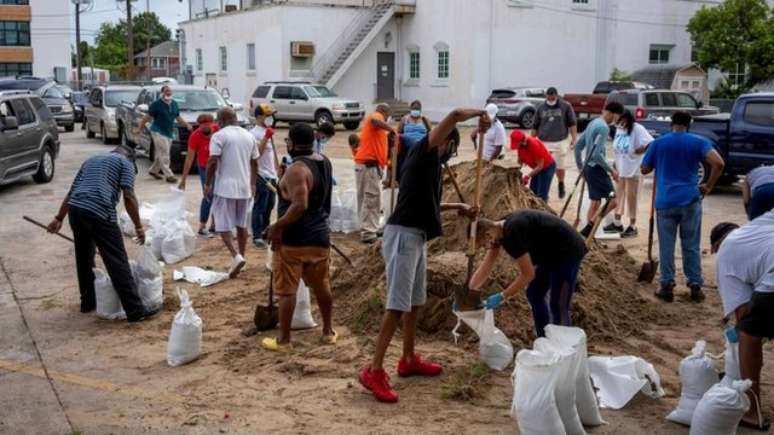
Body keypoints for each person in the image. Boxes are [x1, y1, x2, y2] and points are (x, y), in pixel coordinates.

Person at [359, 108, 485, 404]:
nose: (450, 152)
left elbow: (428, 205)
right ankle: (373, 370)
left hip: (416, 236)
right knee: (397, 305)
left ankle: (408, 358)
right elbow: (453, 114)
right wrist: (481, 114)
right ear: (444, 142)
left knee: (415, 302)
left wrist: (459, 208)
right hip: (402, 235)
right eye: (451, 146)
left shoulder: (427, 167)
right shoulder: (423, 152)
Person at [46, 146, 157, 322]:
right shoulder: (126, 163)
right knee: (116, 259)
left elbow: (71, 192)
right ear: (130, 158)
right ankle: (135, 311)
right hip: (99, 211)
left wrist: (59, 218)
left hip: (76, 210)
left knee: (84, 258)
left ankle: (88, 303)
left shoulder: (90, 160)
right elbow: (128, 196)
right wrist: (138, 227)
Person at [262, 123, 335, 352]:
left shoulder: (297, 169)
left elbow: (300, 204)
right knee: (322, 285)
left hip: (294, 240)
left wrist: (276, 226)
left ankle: (284, 340)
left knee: (287, 291)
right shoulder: (324, 162)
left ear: (291, 143)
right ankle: (328, 332)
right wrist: (284, 180)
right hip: (320, 237)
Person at [641, 111, 725, 303]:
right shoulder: (698, 141)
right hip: (690, 200)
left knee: (666, 246)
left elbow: (644, 169)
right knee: (691, 245)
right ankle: (695, 286)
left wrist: (653, 157)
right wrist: (708, 186)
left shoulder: (659, 143)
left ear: (671, 123)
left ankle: (667, 286)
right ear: (689, 124)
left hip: (665, 202)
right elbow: (719, 164)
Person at [470, 210, 587, 337]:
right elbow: (487, 264)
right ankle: (544, 339)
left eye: (483, 245)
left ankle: (563, 347)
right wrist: (469, 291)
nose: (486, 248)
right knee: (535, 293)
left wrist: (502, 296)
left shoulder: (512, 234)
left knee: (559, 304)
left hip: (568, 251)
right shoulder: (498, 230)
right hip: (549, 253)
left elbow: (528, 274)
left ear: (488, 235)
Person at [712, 216, 774, 431]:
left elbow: (742, 313)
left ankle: (751, 411)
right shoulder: (759, 225)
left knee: (748, 332)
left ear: (715, 247)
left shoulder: (725, 255)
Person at [205, 107, 258, 278]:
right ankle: (242, 257)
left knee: (222, 225)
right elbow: (255, 162)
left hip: (225, 189)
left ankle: (236, 256)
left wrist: (207, 184)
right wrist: (253, 184)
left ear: (220, 120)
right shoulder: (248, 135)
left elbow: (212, 161)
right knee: (242, 225)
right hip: (244, 188)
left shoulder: (219, 136)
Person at [574, 101, 625, 238]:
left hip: (589, 168)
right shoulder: (603, 127)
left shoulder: (593, 123)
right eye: (617, 118)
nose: (616, 122)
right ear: (612, 113)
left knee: (595, 202)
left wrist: (581, 168)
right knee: (613, 201)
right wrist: (612, 171)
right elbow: (596, 155)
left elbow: (578, 146)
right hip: (597, 169)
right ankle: (590, 228)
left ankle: (589, 236)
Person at [603, 110, 654, 238]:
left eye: (622, 120)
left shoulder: (638, 128)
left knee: (632, 198)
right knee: (618, 197)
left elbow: (652, 143)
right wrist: (615, 162)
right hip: (621, 169)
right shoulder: (619, 129)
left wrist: (642, 149)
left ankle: (632, 226)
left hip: (634, 170)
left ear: (628, 119)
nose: (620, 123)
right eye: (619, 121)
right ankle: (617, 222)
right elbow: (618, 147)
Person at [354, 103, 394, 243]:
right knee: (372, 198)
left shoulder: (377, 128)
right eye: (388, 115)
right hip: (368, 165)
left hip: (366, 165)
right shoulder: (376, 116)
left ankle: (367, 228)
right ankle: (368, 233)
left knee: (366, 198)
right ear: (384, 112)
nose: (388, 118)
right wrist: (392, 129)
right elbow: (375, 120)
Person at [138, 85, 192, 183]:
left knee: (162, 153)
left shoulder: (174, 104)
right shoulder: (156, 104)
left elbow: (178, 118)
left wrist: (186, 124)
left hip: (169, 132)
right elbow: (147, 117)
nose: (168, 92)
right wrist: (140, 128)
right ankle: (169, 175)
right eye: (166, 91)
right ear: (162, 93)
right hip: (157, 131)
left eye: (170, 91)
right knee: (165, 152)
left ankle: (153, 170)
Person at [532, 87, 578, 199]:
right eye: (549, 98)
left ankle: (561, 183)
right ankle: (542, 190)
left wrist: (574, 139)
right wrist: (531, 141)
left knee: (560, 166)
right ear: (546, 96)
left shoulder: (565, 106)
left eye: (553, 98)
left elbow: (572, 124)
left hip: (560, 141)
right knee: (542, 166)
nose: (551, 100)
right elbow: (535, 126)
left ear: (556, 96)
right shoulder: (541, 108)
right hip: (543, 141)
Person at [179, 114, 219, 237]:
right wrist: (183, 179)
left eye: (209, 123)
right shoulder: (195, 136)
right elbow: (189, 158)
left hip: (219, 167)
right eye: (203, 124)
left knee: (219, 195)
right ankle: (202, 226)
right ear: (199, 125)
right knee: (208, 195)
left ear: (213, 123)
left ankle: (215, 225)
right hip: (205, 168)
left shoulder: (218, 131)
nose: (206, 126)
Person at [250, 104, 278, 249]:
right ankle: (257, 235)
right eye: (267, 115)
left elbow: (273, 152)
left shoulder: (268, 131)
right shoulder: (254, 134)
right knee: (260, 206)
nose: (270, 118)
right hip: (261, 175)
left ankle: (266, 231)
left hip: (272, 174)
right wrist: (266, 138)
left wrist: (278, 169)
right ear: (259, 116)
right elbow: (256, 155)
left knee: (270, 206)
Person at [511, 129, 556, 201]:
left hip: (547, 168)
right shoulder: (520, 146)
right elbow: (519, 161)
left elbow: (540, 166)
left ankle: (542, 210)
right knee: (532, 192)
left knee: (541, 196)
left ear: (522, 140)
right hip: (536, 168)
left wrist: (527, 176)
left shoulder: (534, 145)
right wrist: (516, 172)